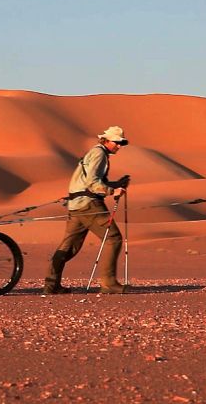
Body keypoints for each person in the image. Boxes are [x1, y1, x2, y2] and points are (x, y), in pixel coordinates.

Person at [43, 126, 131, 294]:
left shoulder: (94, 153)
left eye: (122, 143)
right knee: (113, 238)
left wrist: (116, 184)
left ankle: (51, 284)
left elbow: (89, 181)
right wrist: (113, 191)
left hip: (77, 206)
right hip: (89, 205)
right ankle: (109, 283)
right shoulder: (99, 154)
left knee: (68, 247)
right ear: (106, 140)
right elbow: (92, 182)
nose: (119, 146)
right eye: (117, 142)